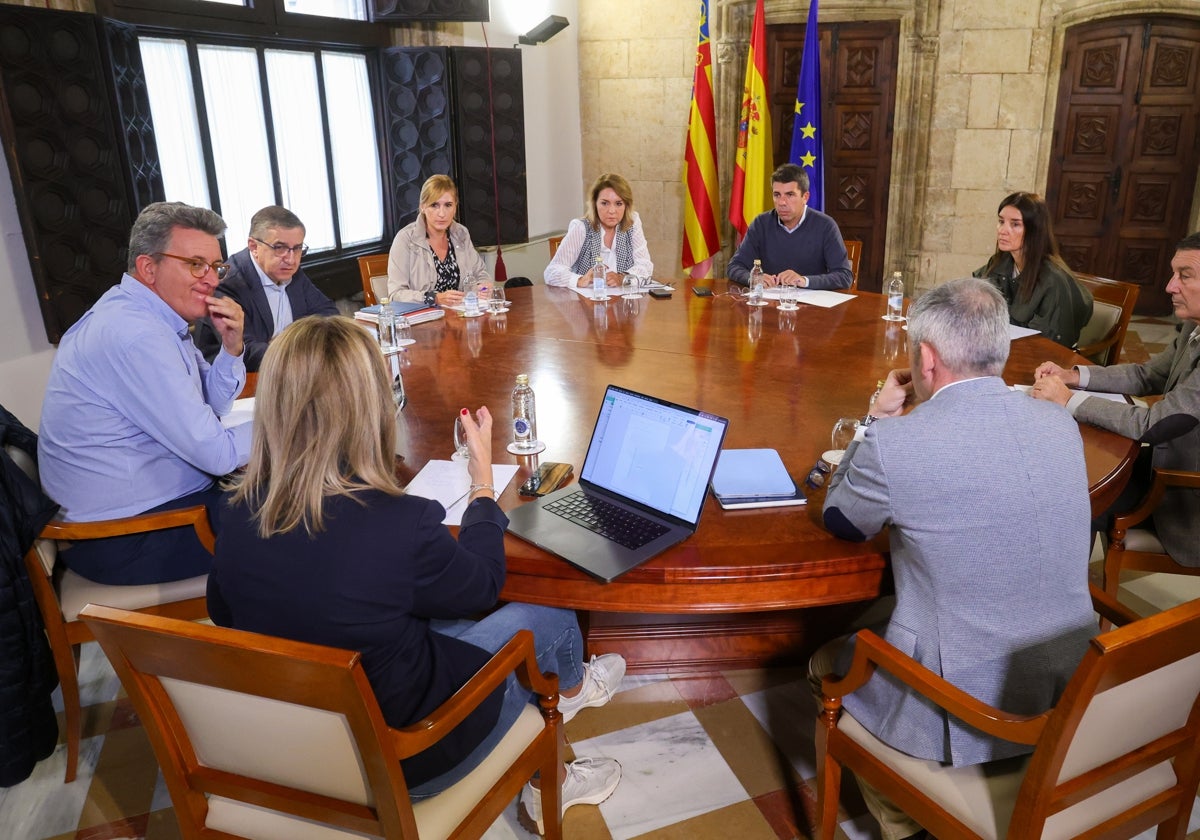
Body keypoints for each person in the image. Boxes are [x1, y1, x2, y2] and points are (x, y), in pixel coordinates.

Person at [206, 316, 624, 833]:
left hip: (299, 748)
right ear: (371, 408)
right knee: (551, 616)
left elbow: (224, 615)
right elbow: (481, 586)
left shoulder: (236, 513)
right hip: (410, 755)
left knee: (429, 619)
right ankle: (559, 733)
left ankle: (563, 695)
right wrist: (481, 487)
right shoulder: (397, 523)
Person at [816, 277, 1096, 840]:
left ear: (926, 358)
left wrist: (874, 422)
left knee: (831, 662)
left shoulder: (898, 444)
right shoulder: (1059, 423)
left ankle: (908, 817)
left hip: (967, 706)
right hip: (1073, 682)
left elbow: (841, 520)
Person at [37, 202, 251, 585]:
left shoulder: (150, 316)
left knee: (294, 491)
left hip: (147, 512)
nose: (211, 279)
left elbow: (214, 405)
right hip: (122, 538)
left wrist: (231, 349)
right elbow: (217, 454)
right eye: (195, 264)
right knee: (306, 513)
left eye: (216, 267)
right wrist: (295, 421)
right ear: (148, 268)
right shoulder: (136, 336)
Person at [1031, 232, 1200, 568]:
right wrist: (1074, 376)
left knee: (1062, 498)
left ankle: (1056, 600)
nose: (1170, 286)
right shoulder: (1192, 327)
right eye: (1173, 272)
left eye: (1185, 275)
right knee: (1067, 472)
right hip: (1160, 467)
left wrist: (1069, 401)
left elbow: (1155, 423)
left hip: (1181, 498)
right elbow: (1146, 375)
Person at [194, 205, 337, 371]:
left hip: (288, 371)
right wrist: (298, 351)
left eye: (297, 248)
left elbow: (329, 315)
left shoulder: (289, 271)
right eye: (279, 247)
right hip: (236, 382)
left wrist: (291, 340)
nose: (291, 259)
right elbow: (245, 352)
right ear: (254, 247)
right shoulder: (227, 283)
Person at [972, 191, 1093, 348]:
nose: (1003, 230)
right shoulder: (998, 263)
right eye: (1001, 221)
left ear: (1035, 230)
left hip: (1044, 361)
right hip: (1002, 348)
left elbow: (1053, 342)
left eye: (1015, 224)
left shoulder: (1053, 279)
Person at [727, 163, 852, 290]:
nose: (782, 202)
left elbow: (844, 276)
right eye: (777, 195)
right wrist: (753, 278)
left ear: (805, 197)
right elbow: (735, 266)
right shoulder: (761, 223)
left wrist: (804, 281)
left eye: (790, 195)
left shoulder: (825, 225)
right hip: (769, 304)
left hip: (811, 306)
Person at [387, 174, 491, 307]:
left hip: (459, 316)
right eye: (434, 205)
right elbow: (395, 295)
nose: (442, 213)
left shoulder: (461, 233)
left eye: (448, 205)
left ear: (455, 207)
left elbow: (480, 274)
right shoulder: (405, 239)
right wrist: (434, 298)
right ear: (423, 207)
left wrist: (483, 288)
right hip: (422, 321)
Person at [544, 173, 653, 288]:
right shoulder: (580, 227)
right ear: (594, 204)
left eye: (618, 203)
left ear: (626, 205)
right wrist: (581, 280)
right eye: (604, 203)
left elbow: (645, 265)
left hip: (623, 302)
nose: (611, 211)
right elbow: (551, 272)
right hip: (586, 303)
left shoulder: (632, 222)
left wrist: (623, 278)